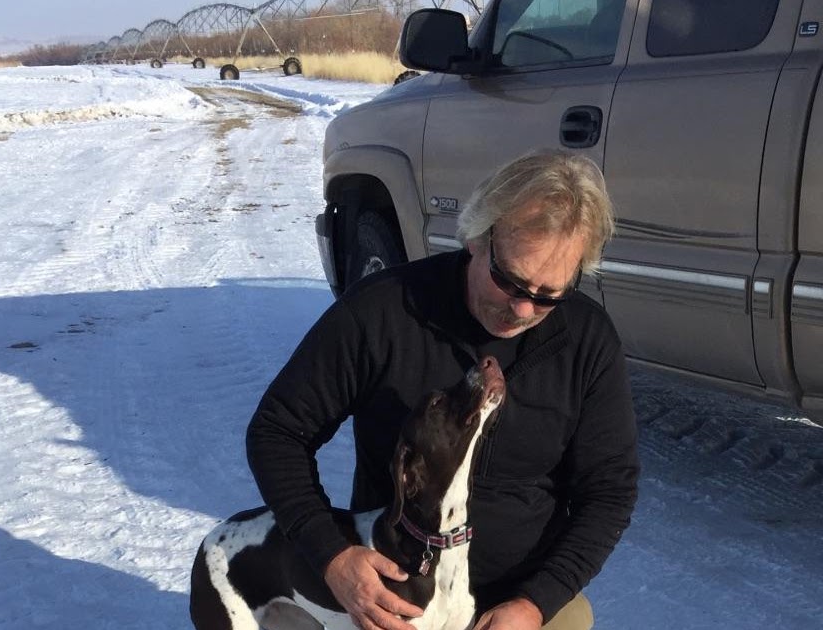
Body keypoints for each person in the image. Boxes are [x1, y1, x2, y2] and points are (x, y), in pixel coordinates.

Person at [246, 149, 639, 630]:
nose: (522, 310)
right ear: (478, 236)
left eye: (548, 296)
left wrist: (539, 601)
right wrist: (331, 554)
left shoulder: (586, 340)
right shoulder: (383, 312)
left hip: (514, 599)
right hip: (397, 593)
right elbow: (278, 431)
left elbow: (610, 491)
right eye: (510, 281)